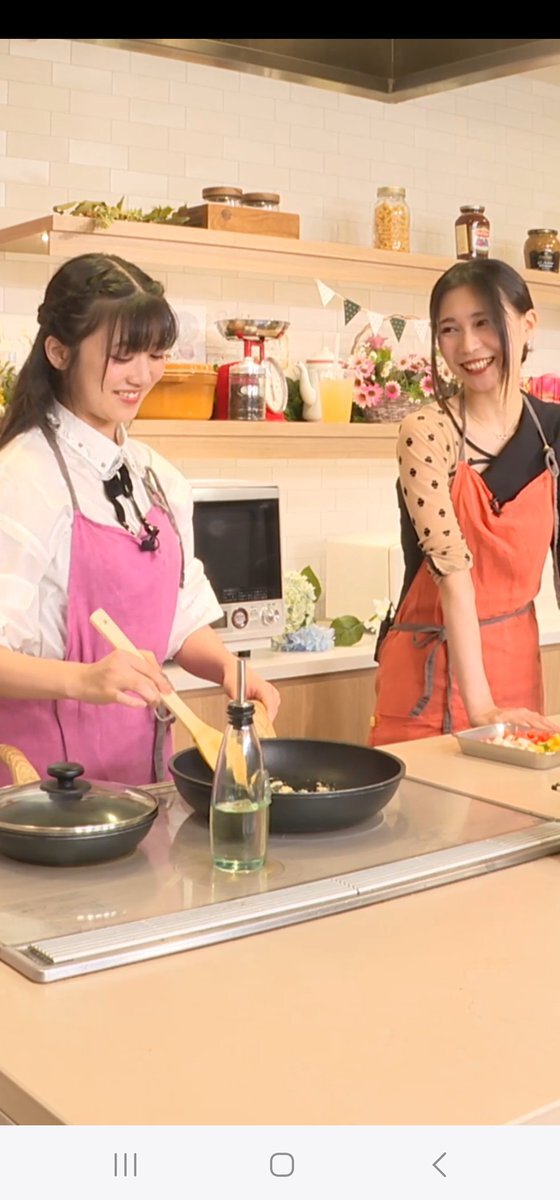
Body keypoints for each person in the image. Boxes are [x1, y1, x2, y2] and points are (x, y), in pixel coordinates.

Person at [0, 252, 280, 786]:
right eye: (122, 355)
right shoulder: (21, 477)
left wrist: (228, 669)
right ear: (58, 352)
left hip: (143, 781)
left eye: (155, 354)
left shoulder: (158, 478)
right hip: (38, 790)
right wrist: (84, 680)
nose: (143, 375)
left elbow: (180, 621)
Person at [370, 258, 560, 747]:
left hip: (517, 676)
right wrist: (482, 709)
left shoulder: (554, 431)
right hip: (425, 684)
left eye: (484, 323)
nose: (469, 346)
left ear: (527, 324)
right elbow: (453, 572)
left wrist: (496, 708)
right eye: (450, 329)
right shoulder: (426, 432)